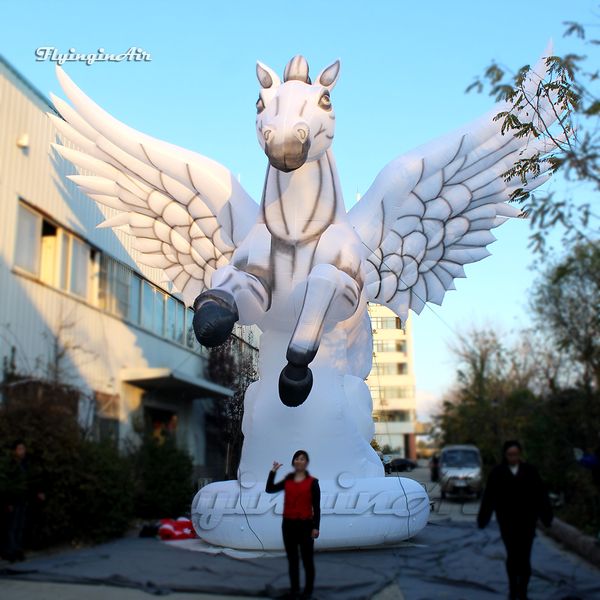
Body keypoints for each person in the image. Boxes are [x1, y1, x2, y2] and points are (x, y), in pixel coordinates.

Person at [477, 440, 553, 600]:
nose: (513, 458)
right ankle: (513, 590)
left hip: (527, 521)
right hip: (507, 522)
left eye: (516, 454)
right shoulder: (497, 472)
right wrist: (483, 518)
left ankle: (523, 591)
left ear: (520, 454)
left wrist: (546, 517)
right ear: (505, 455)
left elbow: (540, 494)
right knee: (512, 555)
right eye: (510, 455)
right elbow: (489, 496)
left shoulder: (530, 471)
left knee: (525, 556)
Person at [266, 450, 321, 600]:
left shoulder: (313, 482)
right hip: (288, 525)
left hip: (306, 525)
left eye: (302, 459)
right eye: (296, 458)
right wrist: (273, 471)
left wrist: (316, 527)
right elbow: (269, 489)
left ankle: (308, 593)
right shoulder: (287, 480)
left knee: (307, 560)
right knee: (293, 560)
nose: (299, 461)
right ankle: (295, 591)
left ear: (306, 463)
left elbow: (317, 507)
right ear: (293, 462)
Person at [1, 440, 45, 562]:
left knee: (20, 525)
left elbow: (31, 480)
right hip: (13, 499)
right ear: (14, 450)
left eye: (23, 449)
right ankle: (10, 551)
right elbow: (7, 483)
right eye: (19, 449)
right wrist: (8, 501)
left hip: (23, 499)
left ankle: (18, 549)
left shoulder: (26, 464)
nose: (22, 451)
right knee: (12, 526)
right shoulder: (10, 464)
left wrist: (37, 492)